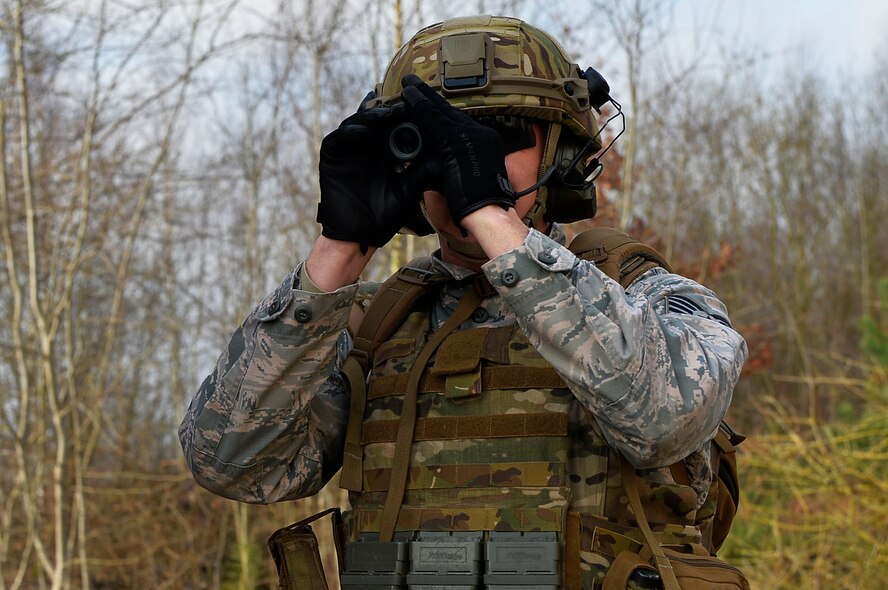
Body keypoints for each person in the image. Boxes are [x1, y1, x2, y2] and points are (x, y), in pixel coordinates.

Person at [179, 15, 748, 589]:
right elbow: (233, 464)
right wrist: (339, 249)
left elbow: (666, 416)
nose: (461, 161)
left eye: (498, 138)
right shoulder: (372, 328)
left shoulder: (647, 298)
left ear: (561, 153)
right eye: (439, 142)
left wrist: (491, 216)